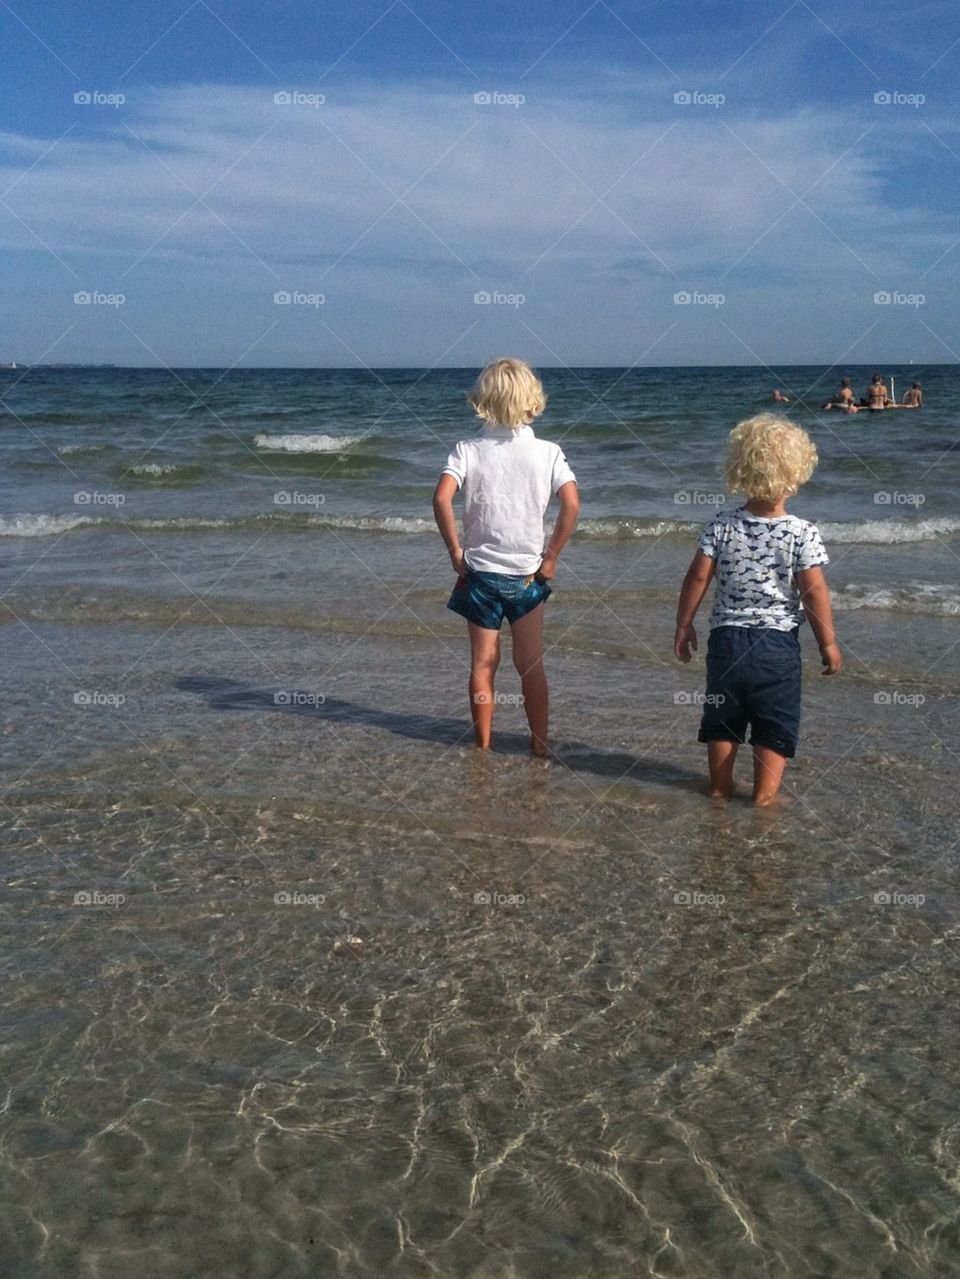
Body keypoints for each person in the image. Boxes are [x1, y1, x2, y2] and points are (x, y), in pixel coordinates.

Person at [673, 414, 841, 806]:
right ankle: (764, 798)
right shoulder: (802, 532)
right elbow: (814, 592)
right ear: (797, 473)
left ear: (739, 469)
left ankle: (719, 787)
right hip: (776, 647)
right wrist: (828, 643)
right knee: (774, 720)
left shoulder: (721, 524)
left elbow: (697, 576)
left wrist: (684, 625)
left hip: (726, 641)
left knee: (723, 716)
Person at [432, 358, 580, 756]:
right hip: (528, 575)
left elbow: (441, 497)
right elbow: (571, 504)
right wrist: (551, 558)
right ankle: (540, 746)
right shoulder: (548, 452)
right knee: (530, 664)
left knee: (483, 664)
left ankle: (483, 745)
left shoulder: (468, 450)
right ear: (532, 400)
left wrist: (455, 551)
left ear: (484, 400)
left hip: (480, 573)